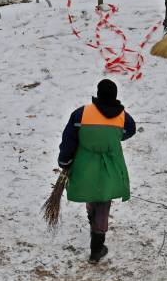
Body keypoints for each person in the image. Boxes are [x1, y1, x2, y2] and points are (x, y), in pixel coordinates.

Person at [57, 79, 137, 263]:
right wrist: (114, 138)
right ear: (115, 96)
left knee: (92, 195)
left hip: (86, 162)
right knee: (104, 199)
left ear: (99, 93)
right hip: (111, 163)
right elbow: (130, 131)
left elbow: (69, 139)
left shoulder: (81, 114)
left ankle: (93, 225)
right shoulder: (123, 116)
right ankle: (97, 247)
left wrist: (64, 161)